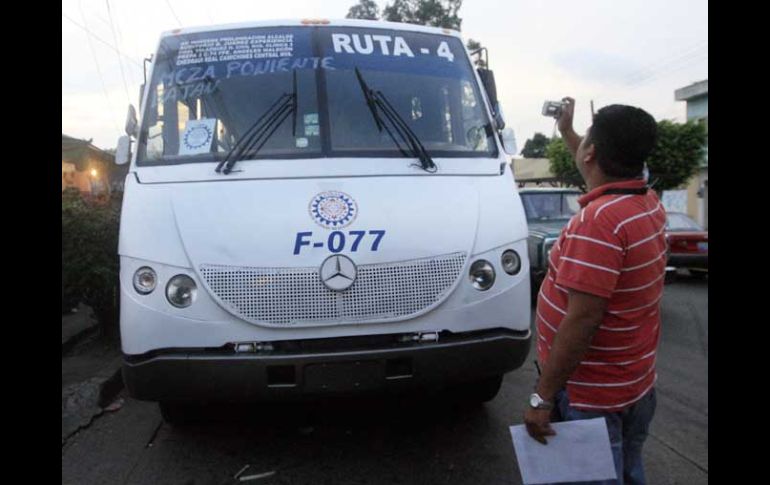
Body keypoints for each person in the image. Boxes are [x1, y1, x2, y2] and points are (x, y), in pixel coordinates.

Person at [523, 97, 664, 485]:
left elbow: (582, 319)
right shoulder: (646, 201)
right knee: (629, 472)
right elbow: (594, 163)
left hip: (592, 396)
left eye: (586, 139)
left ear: (592, 153)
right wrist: (569, 132)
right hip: (633, 385)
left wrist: (542, 397)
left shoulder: (599, 222)